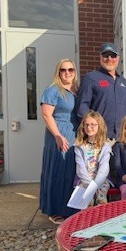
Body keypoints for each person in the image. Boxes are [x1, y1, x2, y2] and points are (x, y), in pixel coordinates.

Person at [40, 58, 80, 224]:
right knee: (58, 171)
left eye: (71, 70)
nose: (67, 73)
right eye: (63, 70)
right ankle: (55, 210)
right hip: (59, 134)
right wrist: (57, 135)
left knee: (70, 173)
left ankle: (69, 209)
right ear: (58, 72)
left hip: (74, 134)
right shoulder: (53, 90)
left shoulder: (76, 90)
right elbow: (46, 114)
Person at [77, 42, 126, 139]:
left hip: (121, 138)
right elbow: (82, 107)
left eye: (113, 55)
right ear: (100, 57)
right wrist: (90, 130)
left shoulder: (124, 82)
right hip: (99, 138)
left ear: (118, 58)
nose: (109, 59)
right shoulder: (90, 78)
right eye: (106, 55)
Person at [74, 111, 112, 206]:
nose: (89, 127)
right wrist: (89, 185)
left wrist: (95, 185)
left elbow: (104, 168)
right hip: (84, 180)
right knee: (87, 199)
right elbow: (80, 167)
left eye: (93, 125)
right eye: (86, 125)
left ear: (99, 126)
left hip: (101, 180)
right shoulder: (79, 146)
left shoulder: (105, 146)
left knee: (101, 198)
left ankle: (102, 219)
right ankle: (87, 220)